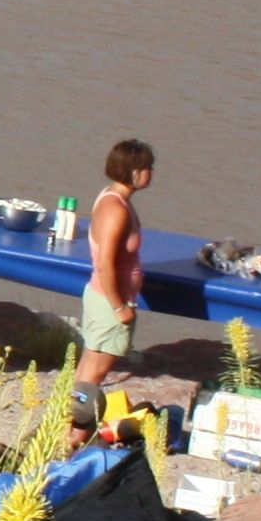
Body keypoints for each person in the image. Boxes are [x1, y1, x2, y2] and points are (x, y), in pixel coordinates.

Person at [76, 139, 157, 391]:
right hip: (109, 303)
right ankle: (75, 427)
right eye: (147, 167)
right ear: (133, 172)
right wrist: (119, 307)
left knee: (88, 369)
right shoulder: (115, 209)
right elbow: (105, 264)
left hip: (105, 299)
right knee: (94, 374)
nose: (151, 172)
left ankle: (70, 421)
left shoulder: (114, 198)